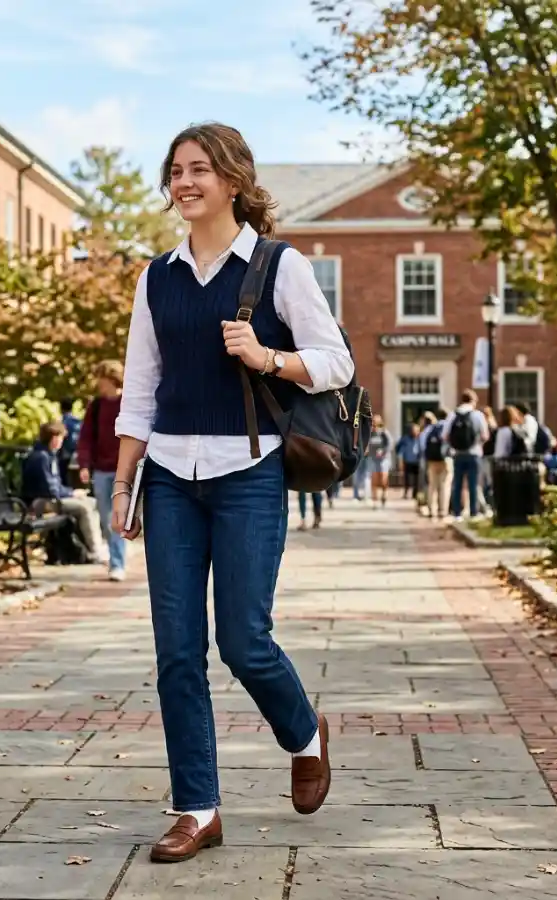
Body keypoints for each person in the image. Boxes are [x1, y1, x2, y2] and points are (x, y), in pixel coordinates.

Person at [110, 122, 353, 863]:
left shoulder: (281, 267)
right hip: (172, 483)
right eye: (175, 171)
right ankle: (197, 808)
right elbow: (139, 392)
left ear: (234, 181)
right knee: (176, 654)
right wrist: (124, 485)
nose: (184, 183)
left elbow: (335, 362)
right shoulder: (157, 278)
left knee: (243, 641)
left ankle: (303, 734)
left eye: (199, 170)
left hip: (250, 475)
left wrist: (269, 356)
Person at [20, 422, 100, 564]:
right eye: (54, 437)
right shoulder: (41, 458)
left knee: (91, 502)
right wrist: (71, 494)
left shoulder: (50, 455)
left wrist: (72, 492)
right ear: (47, 438)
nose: (58, 441)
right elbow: (50, 489)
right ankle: (95, 551)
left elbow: (55, 486)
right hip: (40, 502)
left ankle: (88, 547)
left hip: (51, 498)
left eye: (60, 437)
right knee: (83, 508)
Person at [76, 361, 126, 582]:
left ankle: (118, 560)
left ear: (113, 380)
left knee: (121, 516)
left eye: (102, 381)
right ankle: (117, 558)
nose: (99, 386)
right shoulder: (95, 406)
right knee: (107, 518)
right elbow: (86, 437)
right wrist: (84, 465)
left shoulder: (129, 402)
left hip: (125, 469)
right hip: (102, 470)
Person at [443, 389, 490, 520]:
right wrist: (477, 443)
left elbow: (445, 436)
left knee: (457, 484)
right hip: (474, 454)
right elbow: (485, 435)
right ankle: (473, 512)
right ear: (473, 401)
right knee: (473, 484)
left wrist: (455, 444)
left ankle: (457, 513)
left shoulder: (453, 415)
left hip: (457, 454)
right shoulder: (478, 415)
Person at [366, 415, 393, 508]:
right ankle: (374, 499)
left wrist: (383, 451)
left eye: (376, 422)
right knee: (374, 479)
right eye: (373, 422)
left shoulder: (384, 433)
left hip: (384, 459)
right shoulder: (370, 433)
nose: (374, 424)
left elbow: (390, 445)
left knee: (383, 479)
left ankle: (384, 494)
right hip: (373, 459)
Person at [58, 398, 81, 487]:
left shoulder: (62, 422)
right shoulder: (78, 422)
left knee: (63, 478)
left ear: (61, 408)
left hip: (65, 454)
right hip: (77, 454)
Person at [396, 422, 421, 500]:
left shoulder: (420, 438)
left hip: (417, 461)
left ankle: (415, 494)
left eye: (417, 430)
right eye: (414, 430)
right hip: (408, 461)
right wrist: (401, 459)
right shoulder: (405, 439)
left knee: (417, 479)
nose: (416, 432)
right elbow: (399, 448)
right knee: (407, 479)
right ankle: (406, 493)